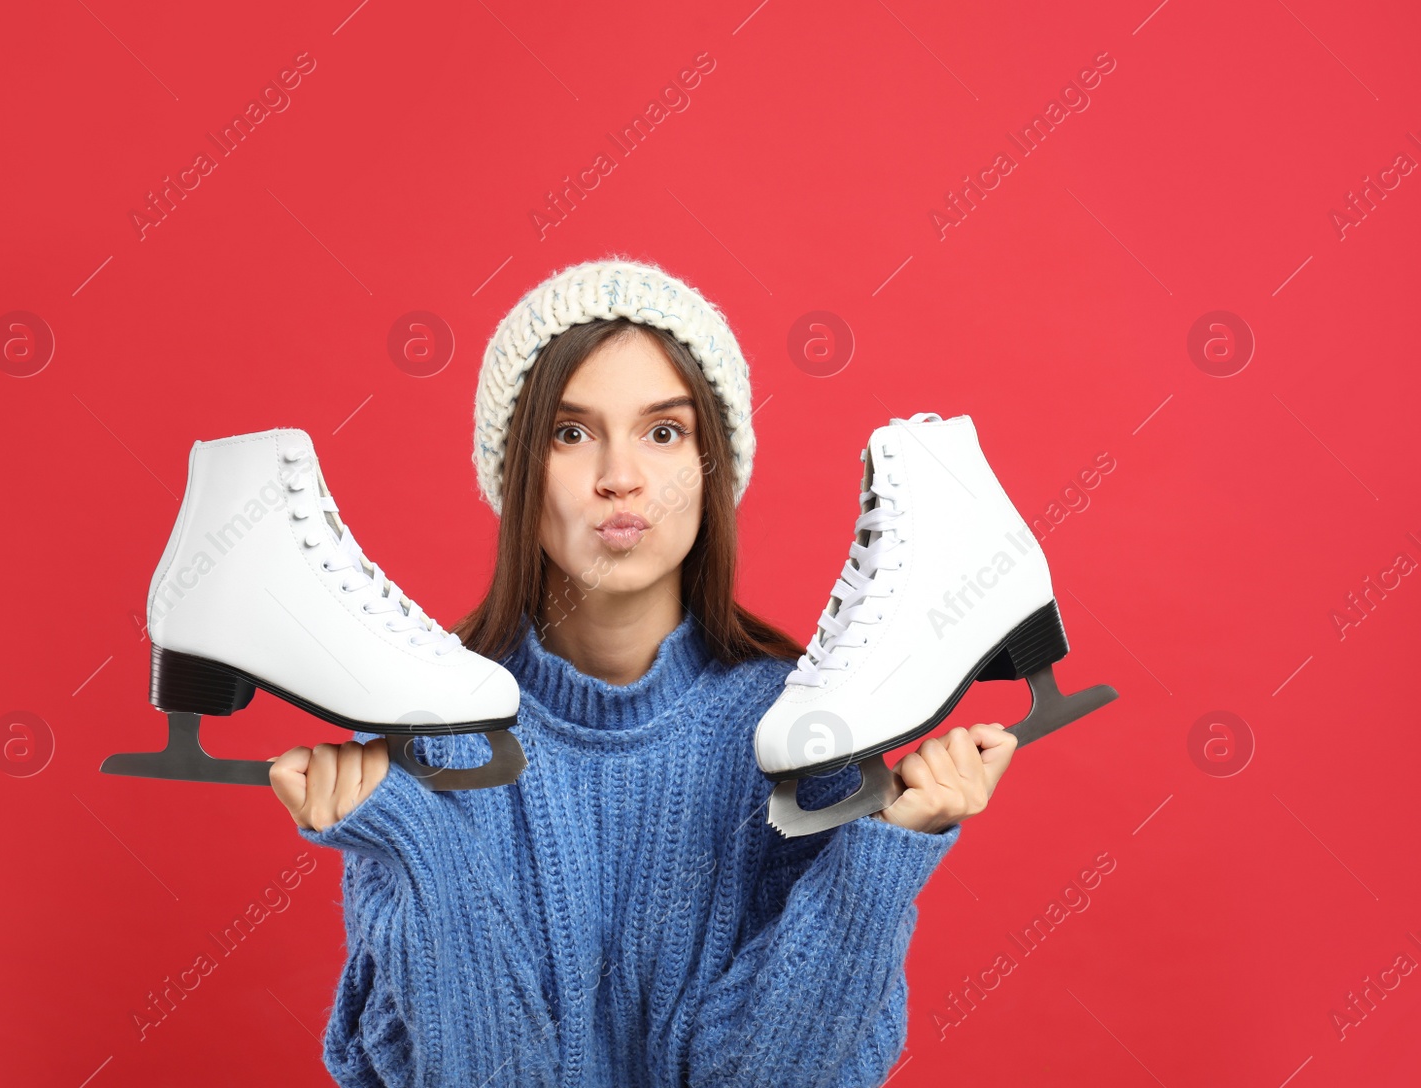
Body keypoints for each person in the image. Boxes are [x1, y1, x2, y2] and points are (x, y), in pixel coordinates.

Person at [267, 257, 1017, 1087]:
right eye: (570, 432)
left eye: (664, 433)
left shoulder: (808, 729)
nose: (619, 478)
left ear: (712, 467)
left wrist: (885, 853)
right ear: (517, 470)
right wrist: (421, 844)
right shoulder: (423, 740)